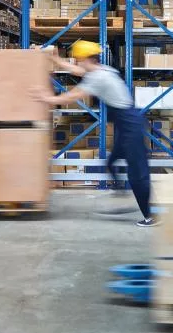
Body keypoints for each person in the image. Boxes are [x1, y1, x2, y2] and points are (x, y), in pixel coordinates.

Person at [32, 41, 156, 227]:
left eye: (78, 59)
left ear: (87, 59)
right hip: (126, 123)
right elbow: (76, 71)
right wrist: (55, 60)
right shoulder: (101, 70)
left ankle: (149, 216)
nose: (77, 62)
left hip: (130, 126)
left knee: (137, 174)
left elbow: (72, 96)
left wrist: (45, 98)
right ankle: (121, 192)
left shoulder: (98, 78)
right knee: (111, 161)